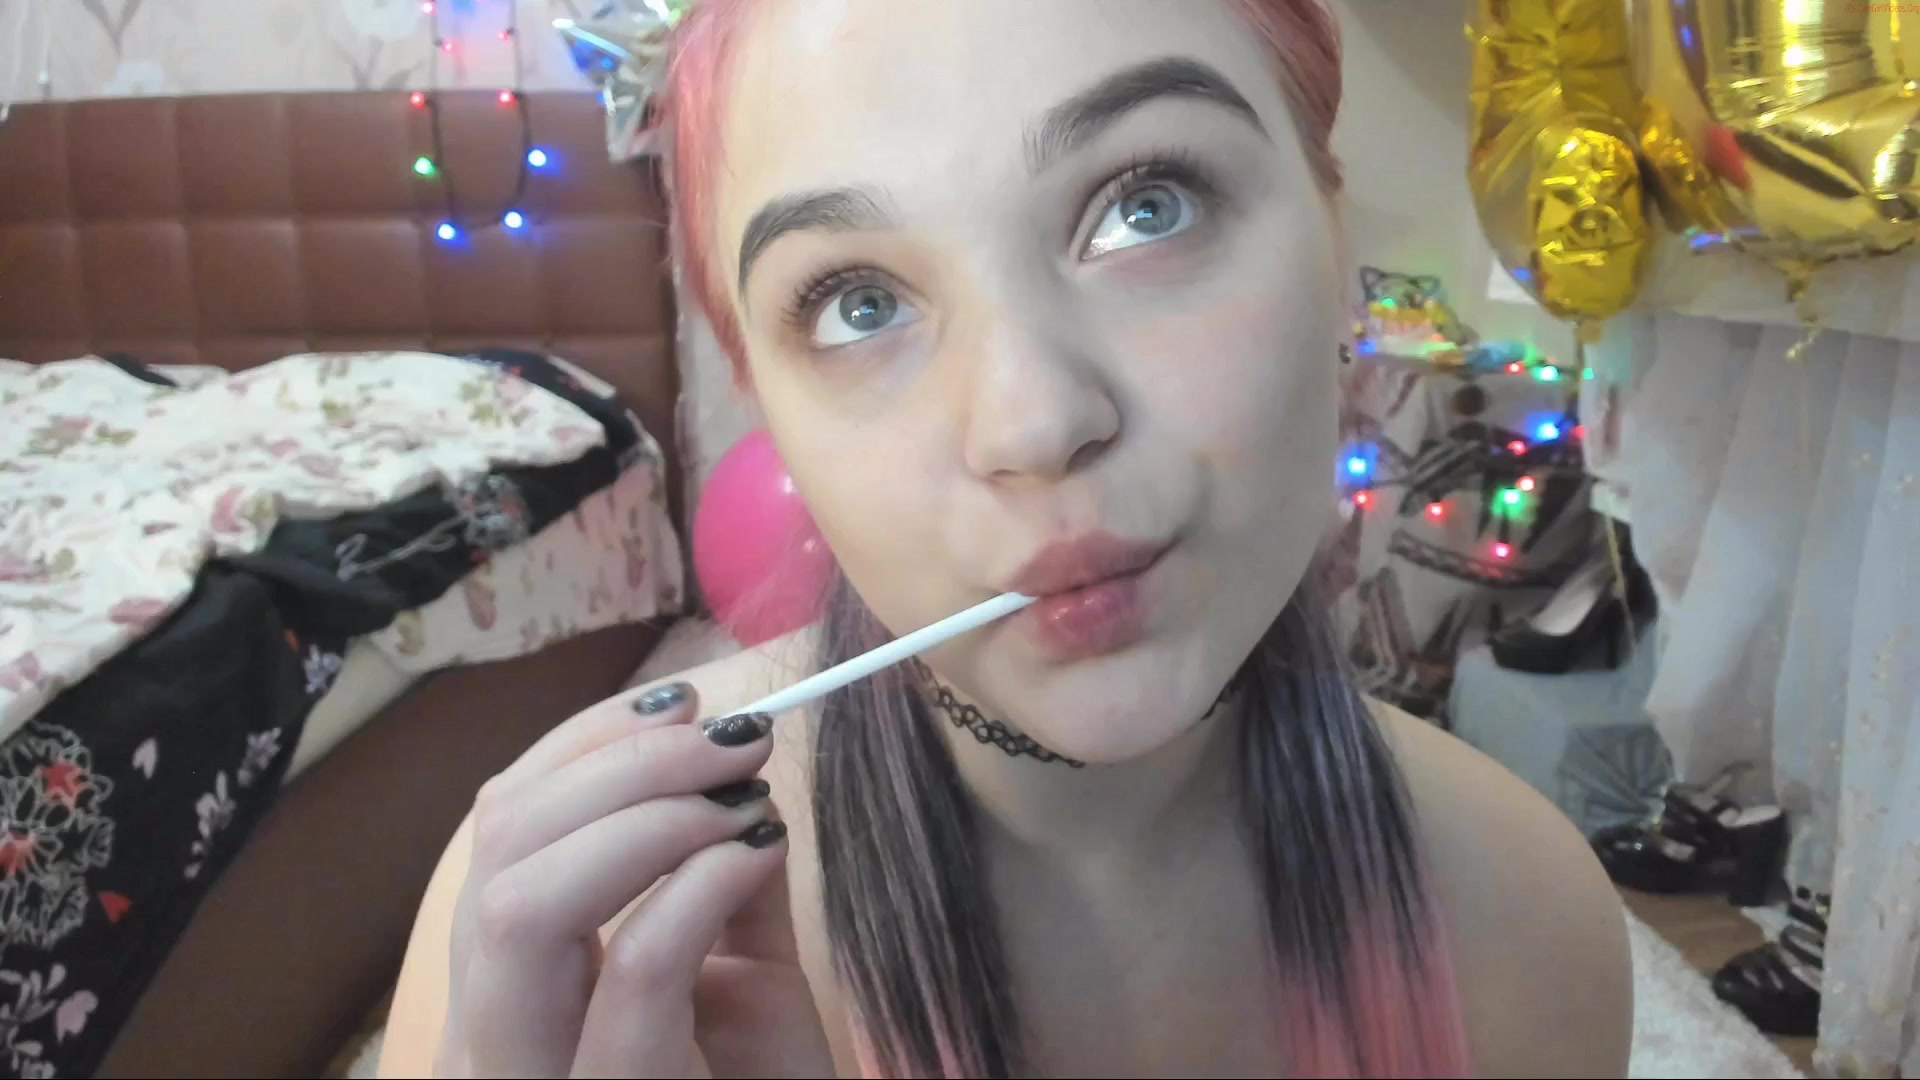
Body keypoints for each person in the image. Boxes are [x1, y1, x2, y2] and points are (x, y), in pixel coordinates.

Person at [380, 0, 1633, 1075]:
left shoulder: (1529, 916)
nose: (1034, 423)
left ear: (1334, 234)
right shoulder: (570, 955)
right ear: (765, 401)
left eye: (1147, 208)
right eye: (857, 303)